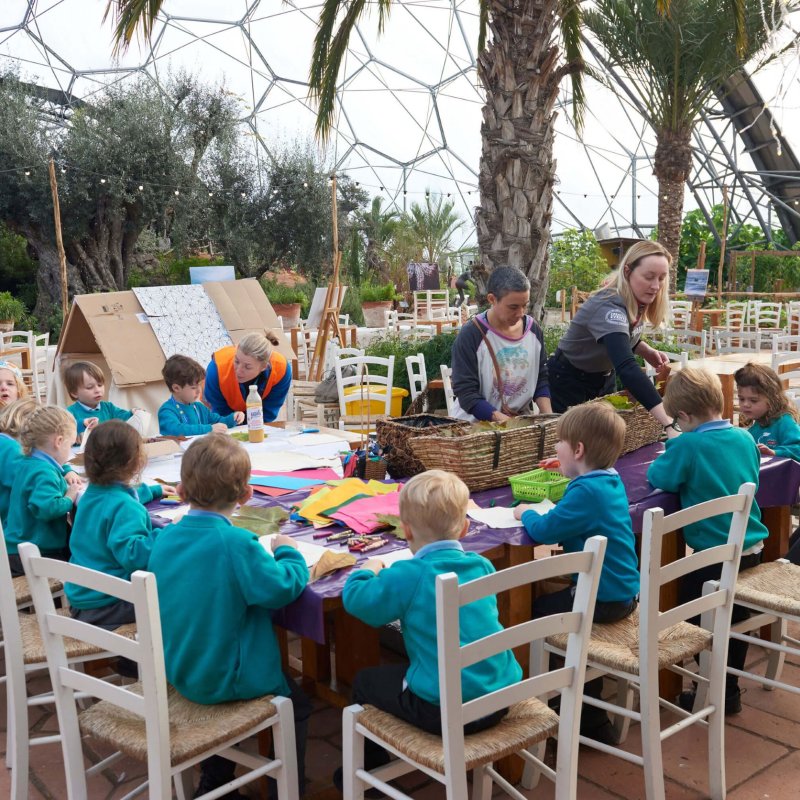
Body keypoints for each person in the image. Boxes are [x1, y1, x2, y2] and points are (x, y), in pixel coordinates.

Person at [147, 433, 310, 799]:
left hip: (181, 666)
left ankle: (216, 780)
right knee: (298, 705)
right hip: (224, 678)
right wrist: (289, 553)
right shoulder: (236, 543)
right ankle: (285, 789)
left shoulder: (165, 538)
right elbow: (281, 589)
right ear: (246, 495)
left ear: (181, 490)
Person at [336, 470, 522, 787]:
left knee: (364, 681)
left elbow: (357, 601)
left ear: (405, 531)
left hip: (443, 712)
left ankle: (366, 774)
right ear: (464, 527)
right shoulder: (482, 565)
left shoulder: (410, 574)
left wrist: (367, 568)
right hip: (499, 698)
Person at [514, 402, 639, 744]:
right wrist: (568, 469)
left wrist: (524, 512)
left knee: (534, 612)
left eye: (559, 443)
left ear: (578, 449)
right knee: (555, 596)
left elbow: (543, 530)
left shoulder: (585, 491)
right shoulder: (608, 481)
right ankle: (591, 713)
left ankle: (551, 706)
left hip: (603, 600)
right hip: (622, 592)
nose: (555, 448)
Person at [647, 367, 768, 714]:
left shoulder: (689, 443)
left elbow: (660, 477)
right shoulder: (745, 438)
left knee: (685, 611)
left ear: (684, 415)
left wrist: (674, 446)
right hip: (749, 548)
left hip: (711, 557)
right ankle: (728, 686)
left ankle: (708, 684)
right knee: (735, 619)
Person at [548, 240, 675, 432]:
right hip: (569, 380)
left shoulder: (636, 299)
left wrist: (643, 348)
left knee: (605, 440)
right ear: (627, 272)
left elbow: (620, 337)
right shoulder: (608, 305)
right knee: (574, 444)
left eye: (662, 278)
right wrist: (668, 423)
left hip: (603, 378)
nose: (656, 285)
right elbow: (626, 367)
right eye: (649, 277)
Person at [66, 421, 169, 628]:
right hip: (107, 606)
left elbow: (115, 498)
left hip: (81, 599)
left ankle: (131, 660)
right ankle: (142, 659)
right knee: (180, 596)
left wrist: (152, 490)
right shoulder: (125, 507)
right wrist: (170, 533)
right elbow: (135, 557)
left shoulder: (90, 495)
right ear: (135, 461)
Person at [450, 266, 552, 421]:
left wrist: (549, 416)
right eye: (513, 307)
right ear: (492, 299)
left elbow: (540, 378)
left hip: (517, 424)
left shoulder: (533, 330)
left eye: (525, 305)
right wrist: (505, 422)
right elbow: (466, 392)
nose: (520, 313)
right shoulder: (471, 335)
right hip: (473, 428)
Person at [5, 406, 79, 577]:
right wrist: (69, 496)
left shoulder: (28, 463)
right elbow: (47, 508)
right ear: (59, 441)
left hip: (17, 547)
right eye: (70, 444)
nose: (70, 451)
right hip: (34, 553)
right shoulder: (44, 473)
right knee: (79, 563)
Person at [204, 331, 291, 424]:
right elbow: (218, 412)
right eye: (236, 361)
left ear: (264, 367)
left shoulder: (281, 370)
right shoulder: (217, 368)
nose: (239, 370)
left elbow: (268, 412)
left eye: (247, 367)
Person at [158, 354, 244, 436]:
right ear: (176, 388)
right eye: (193, 387)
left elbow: (219, 421)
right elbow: (176, 430)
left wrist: (233, 418)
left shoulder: (199, 407)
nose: (199, 390)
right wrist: (209, 429)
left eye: (199, 385)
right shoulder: (167, 410)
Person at [734, 362, 800, 460]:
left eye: (753, 400)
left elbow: (797, 449)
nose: (745, 404)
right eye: (741, 399)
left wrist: (774, 452)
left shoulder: (785, 422)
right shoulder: (755, 427)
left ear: (772, 399)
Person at [64, 361, 132, 438]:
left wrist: (133, 413)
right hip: (84, 449)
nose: (97, 390)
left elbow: (124, 417)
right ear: (74, 393)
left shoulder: (108, 407)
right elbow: (64, 429)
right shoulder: (69, 413)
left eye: (100, 385)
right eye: (90, 387)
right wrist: (83, 423)